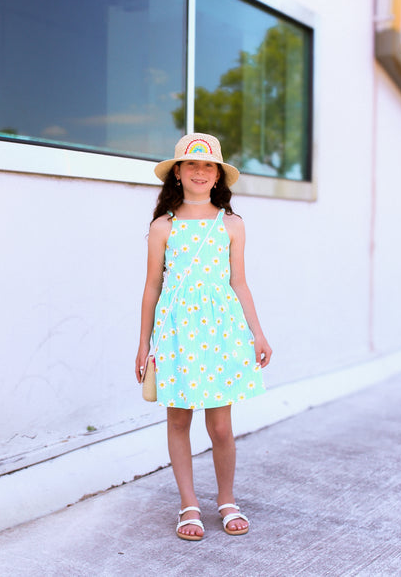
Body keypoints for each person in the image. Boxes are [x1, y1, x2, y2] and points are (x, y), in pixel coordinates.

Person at [135, 132, 272, 540]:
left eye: (207, 165)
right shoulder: (163, 226)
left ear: (218, 176)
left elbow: (240, 283)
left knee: (221, 427)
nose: (199, 171)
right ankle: (188, 504)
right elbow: (152, 288)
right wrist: (143, 343)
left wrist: (258, 333)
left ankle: (227, 500)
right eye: (191, 165)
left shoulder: (232, 224)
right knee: (178, 418)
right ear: (177, 173)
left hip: (221, 331)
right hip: (177, 333)